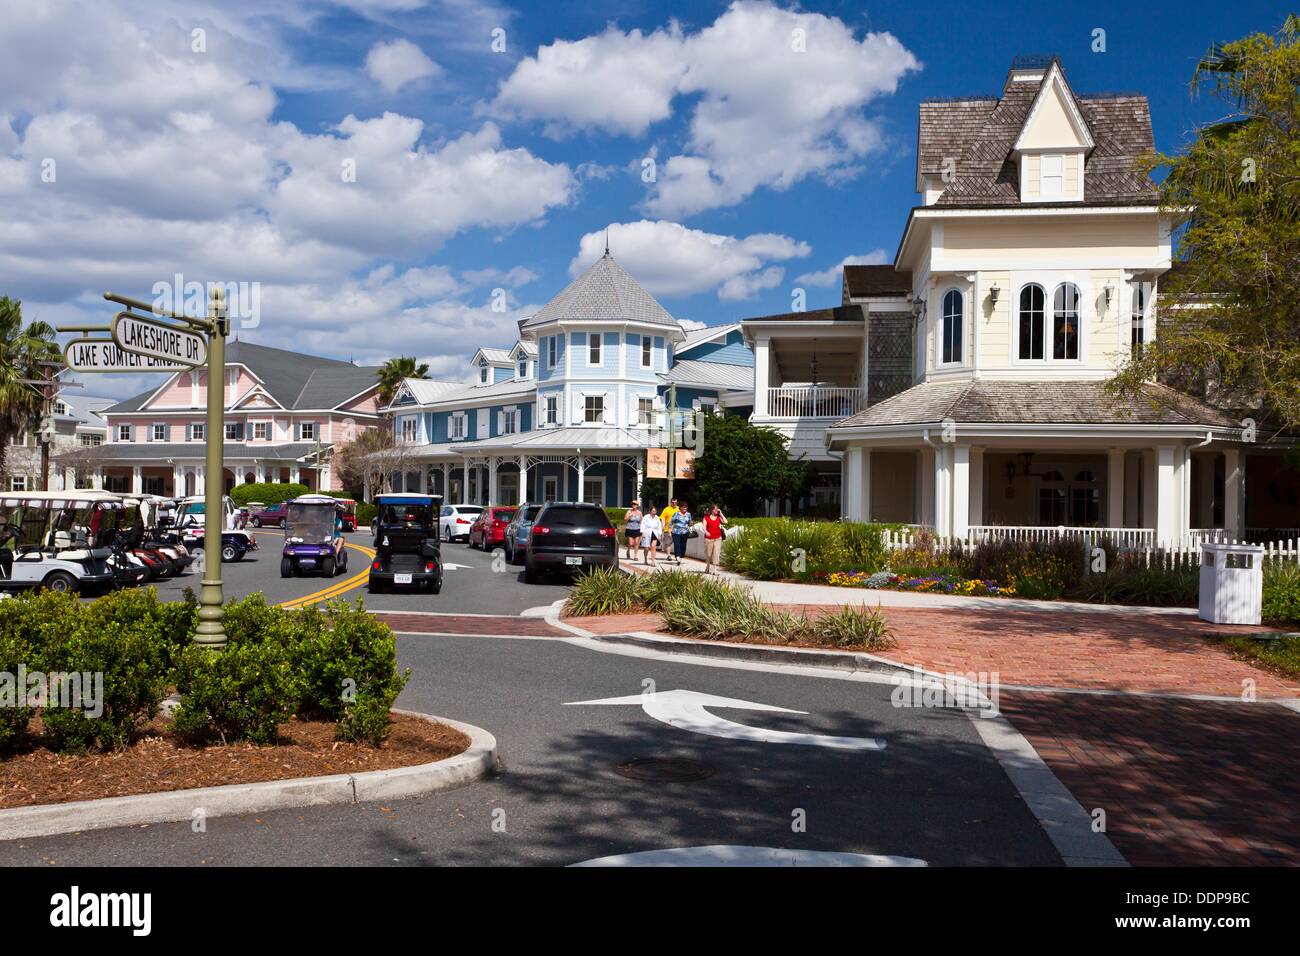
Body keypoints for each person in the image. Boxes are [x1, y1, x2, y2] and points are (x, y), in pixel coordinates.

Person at [702, 503, 727, 574]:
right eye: (715, 509)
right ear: (712, 510)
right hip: (708, 538)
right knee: (708, 554)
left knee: (716, 553)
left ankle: (714, 569)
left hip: (718, 537)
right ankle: (708, 566)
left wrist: (721, 513)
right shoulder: (706, 517)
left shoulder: (719, 517)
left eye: (717, 509)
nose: (717, 510)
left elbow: (725, 521)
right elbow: (704, 526)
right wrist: (706, 532)